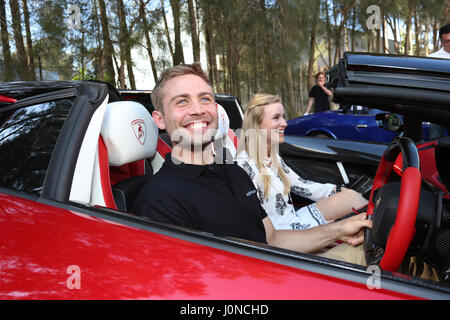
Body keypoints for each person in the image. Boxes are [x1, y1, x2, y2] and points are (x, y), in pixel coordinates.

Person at [132, 63, 371, 261]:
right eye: (182, 102)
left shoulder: (234, 173)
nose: (197, 110)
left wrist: (339, 229)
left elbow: (273, 240)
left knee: (369, 252)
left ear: (216, 109)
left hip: (279, 269)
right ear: (160, 119)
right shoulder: (158, 200)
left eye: (205, 99)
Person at [236, 93, 368, 233]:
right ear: (257, 125)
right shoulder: (244, 166)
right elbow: (255, 227)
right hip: (283, 235)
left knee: (350, 197)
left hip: (295, 219)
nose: (284, 123)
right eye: (276, 118)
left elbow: (302, 186)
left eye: (284, 117)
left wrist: (339, 190)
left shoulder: (273, 158)